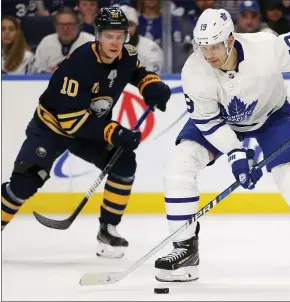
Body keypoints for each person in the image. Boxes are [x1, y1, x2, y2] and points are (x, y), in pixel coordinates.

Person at [154, 8, 290, 284]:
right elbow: (209, 122)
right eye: (203, 47)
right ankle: (185, 250)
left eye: (215, 46)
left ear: (230, 40)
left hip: (272, 115)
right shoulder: (195, 70)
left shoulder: (266, 48)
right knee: (178, 164)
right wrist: (236, 154)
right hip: (221, 121)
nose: (209, 54)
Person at [1, 7, 171, 259]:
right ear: (98, 36)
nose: (115, 42)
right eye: (109, 36)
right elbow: (71, 122)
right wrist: (114, 131)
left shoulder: (126, 55)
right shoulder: (79, 64)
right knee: (25, 181)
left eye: (119, 36)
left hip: (88, 129)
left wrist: (151, 85)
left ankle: (108, 229)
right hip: (52, 127)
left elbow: (136, 71)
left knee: (124, 162)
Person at [31, 7, 95, 73]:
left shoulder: (91, 42)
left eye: (70, 24)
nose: (65, 28)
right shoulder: (46, 42)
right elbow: (36, 71)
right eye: (61, 24)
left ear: (78, 26)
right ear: (55, 26)